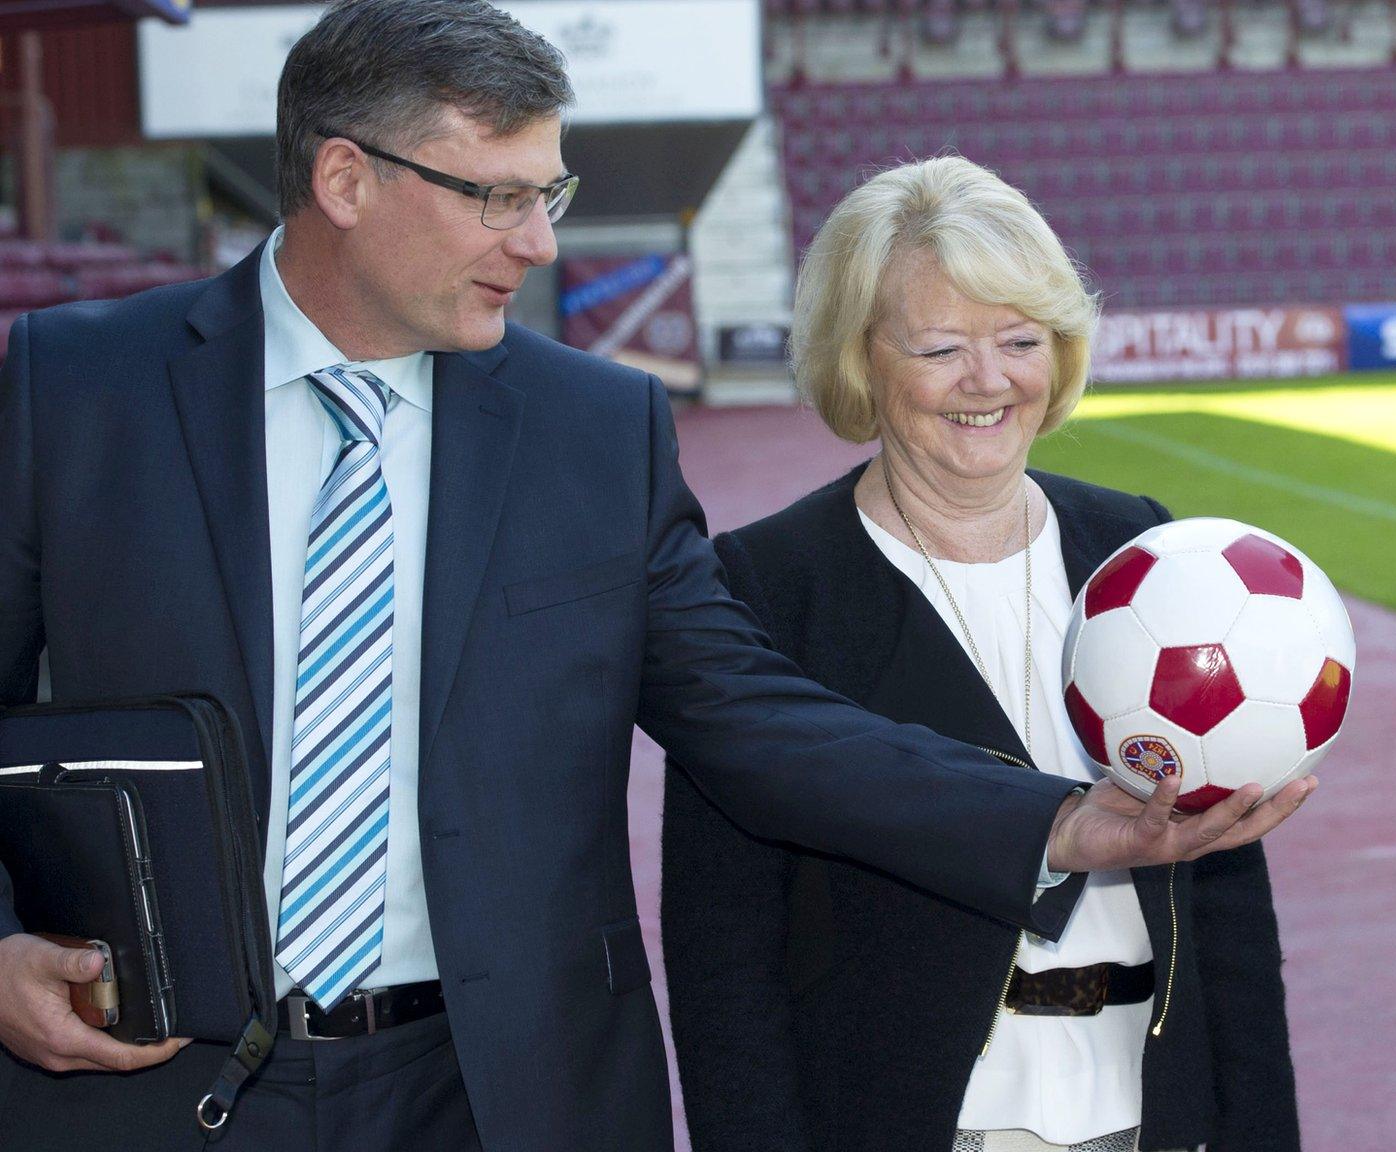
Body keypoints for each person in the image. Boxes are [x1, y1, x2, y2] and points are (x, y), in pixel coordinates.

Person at [0, 4, 1311, 1149]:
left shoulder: (595, 431)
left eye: (547, 194)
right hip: (146, 1083)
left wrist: (1059, 824)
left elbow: (751, 716)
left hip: (492, 1094)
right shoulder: (75, 389)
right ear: (347, 178)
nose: (539, 240)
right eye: (496, 196)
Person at [662, 156, 1301, 1152]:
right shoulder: (762, 585)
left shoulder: (1147, 553)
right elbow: (722, 961)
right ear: (858, 359)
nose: (986, 379)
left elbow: (1226, 916)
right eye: (939, 346)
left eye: (1017, 339)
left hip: (1155, 1112)